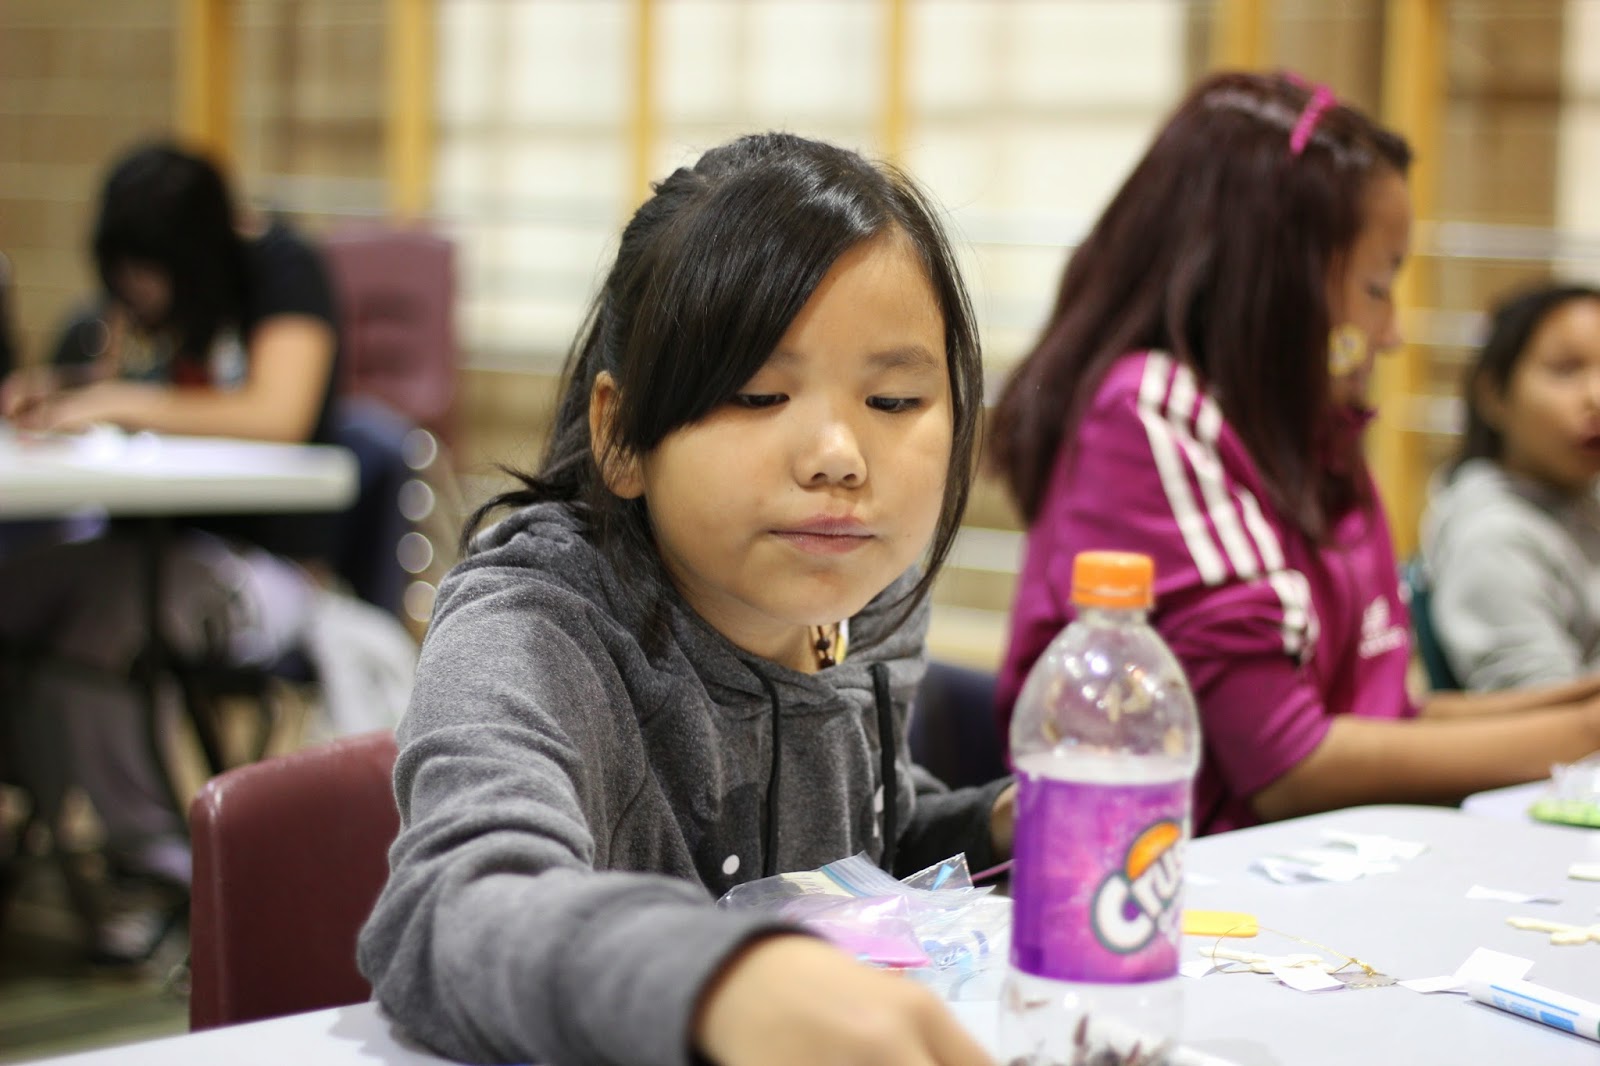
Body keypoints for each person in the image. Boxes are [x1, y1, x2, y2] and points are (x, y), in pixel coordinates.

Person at [357, 132, 1015, 1066]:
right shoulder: (534, 629)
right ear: (621, 436)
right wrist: (721, 980)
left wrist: (1000, 825)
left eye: (895, 401)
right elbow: (458, 905)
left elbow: (852, 854)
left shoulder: (873, 604)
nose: (838, 455)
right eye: (757, 395)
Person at [988, 71, 1600, 838]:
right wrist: (1583, 735)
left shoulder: (1315, 431)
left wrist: (1584, 711)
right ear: (1281, 280)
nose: (1394, 332)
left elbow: (1390, 714)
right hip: (1170, 889)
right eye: (1378, 286)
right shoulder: (1149, 412)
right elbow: (1287, 765)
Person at [0, 141, 343, 960]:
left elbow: (277, 413)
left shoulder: (283, 270)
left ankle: (160, 872)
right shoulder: (141, 316)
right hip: (140, 553)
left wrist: (117, 401)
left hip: (268, 574)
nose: (133, 293)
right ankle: (74, 846)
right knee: (16, 604)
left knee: (99, 635)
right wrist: (75, 389)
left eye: (147, 273)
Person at [1422, 283, 1600, 690]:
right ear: (1494, 394)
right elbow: (1547, 721)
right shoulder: (1493, 537)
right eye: (1567, 369)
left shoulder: (1581, 497)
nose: (1597, 396)